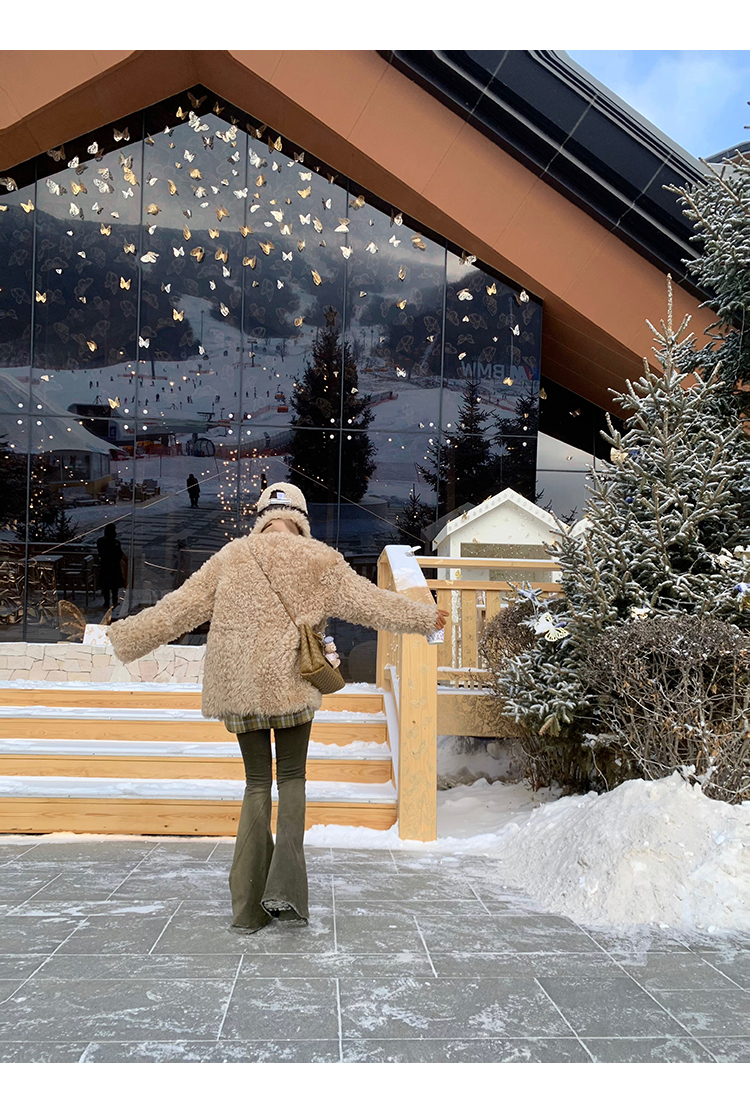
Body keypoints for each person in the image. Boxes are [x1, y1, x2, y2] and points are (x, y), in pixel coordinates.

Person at [107, 482, 448, 934]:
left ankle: (248, 909)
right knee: (291, 780)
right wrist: (424, 617)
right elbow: (370, 603)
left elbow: (179, 609)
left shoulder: (231, 556)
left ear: (262, 518)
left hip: (239, 687)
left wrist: (127, 637)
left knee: (255, 784)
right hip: (292, 684)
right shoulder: (321, 559)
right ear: (301, 518)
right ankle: (285, 893)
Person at [96, 523, 125, 611]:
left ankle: (107, 602)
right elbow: (119, 554)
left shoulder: (100, 541)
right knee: (114, 587)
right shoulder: (116, 542)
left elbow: (101, 553)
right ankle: (114, 602)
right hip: (114, 567)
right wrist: (115, 561)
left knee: (106, 586)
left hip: (105, 566)